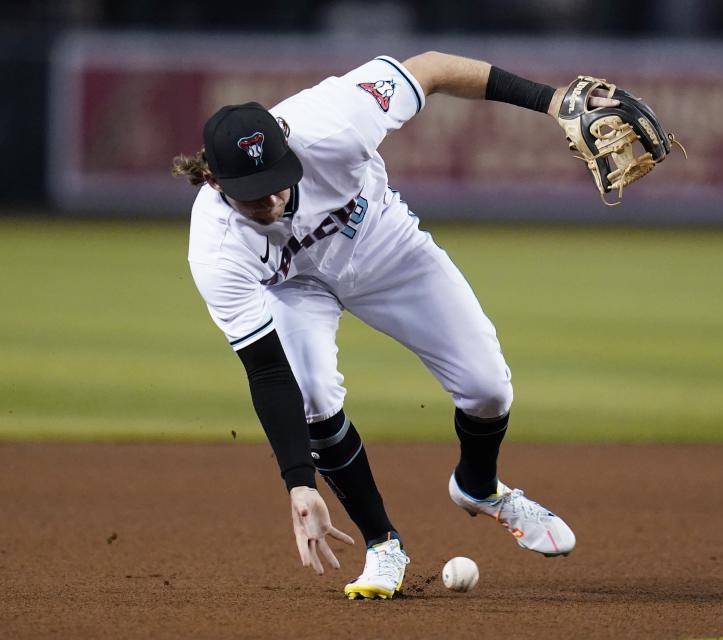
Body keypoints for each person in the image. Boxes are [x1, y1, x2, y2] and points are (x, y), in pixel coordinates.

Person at [173, 51, 617, 600]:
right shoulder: (215, 248)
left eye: (277, 181)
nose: (271, 199)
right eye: (251, 193)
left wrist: (548, 101)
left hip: (384, 245)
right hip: (295, 287)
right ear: (214, 182)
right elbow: (266, 372)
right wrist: (298, 482)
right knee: (312, 392)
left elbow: (431, 68)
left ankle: (478, 487)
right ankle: (383, 544)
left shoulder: (335, 119)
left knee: (488, 388)